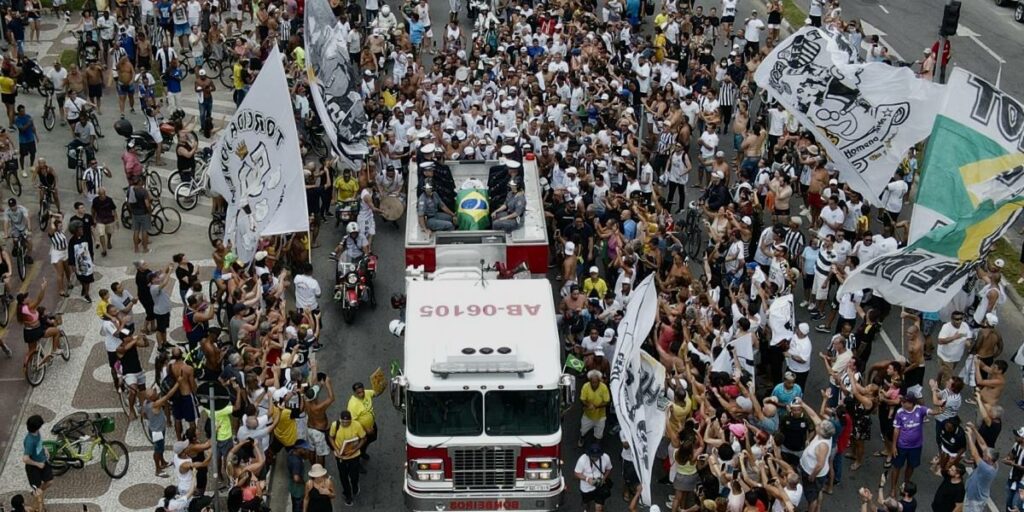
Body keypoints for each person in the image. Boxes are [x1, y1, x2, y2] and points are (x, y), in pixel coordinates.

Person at [329, 410, 365, 507]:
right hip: (340, 456)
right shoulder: (335, 425)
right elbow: (331, 437)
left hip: (354, 455)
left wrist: (354, 450)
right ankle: (348, 495)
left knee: (354, 475)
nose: (345, 424)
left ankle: (355, 485)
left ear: (351, 420)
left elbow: (363, 439)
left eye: (347, 422)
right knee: (343, 476)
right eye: (343, 422)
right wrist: (336, 449)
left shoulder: (357, 425)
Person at [964, 422, 999, 511]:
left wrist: (969, 436)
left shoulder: (986, 468)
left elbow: (974, 453)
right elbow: (983, 444)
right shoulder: (994, 463)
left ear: (989, 458)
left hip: (975, 500)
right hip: (975, 495)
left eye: (984, 455)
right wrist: (974, 429)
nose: (983, 454)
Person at [22, 414, 52, 512]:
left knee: (49, 481)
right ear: (36, 427)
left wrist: (45, 448)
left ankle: (37, 494)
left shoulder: (37, 433)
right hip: (34, 467)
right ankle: (38, 507)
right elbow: (25, 459)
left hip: (43, 460)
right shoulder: (29, 441)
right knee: (38, 491)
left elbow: (39, 443)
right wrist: (37, 464)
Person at [575, 443, 612, 512]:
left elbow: (609, 469)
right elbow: (576, 473)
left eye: (597, 456)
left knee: (599, 507)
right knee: (586, 503)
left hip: (600, 486)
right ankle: (586, 507)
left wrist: (604, 478)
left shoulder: (606, 457)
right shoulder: (582, 460)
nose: (595, 458)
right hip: (586, 488)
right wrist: (587, 479)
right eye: (593, 456)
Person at [347, 382, 377, 463]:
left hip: (371, 426)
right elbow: (353, 422)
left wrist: (380, 383)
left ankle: (362, 452)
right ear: (355, 393)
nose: (361, 394)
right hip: (361, 431)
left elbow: (376, 393)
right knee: (359, 446)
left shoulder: (367, 393)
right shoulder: (352, 405)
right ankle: (357, 461)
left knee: (372, 438)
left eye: (362, 391)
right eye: (359, 393)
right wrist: (365, 429)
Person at [579, 370, 610, 448]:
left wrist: (596, 407)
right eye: (593, 382)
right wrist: (588, 404)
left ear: (599, 381)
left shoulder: (604, 387)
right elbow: (582, 399)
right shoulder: (585, 386)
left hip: (601, 416)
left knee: (599, 434)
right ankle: (582, 439)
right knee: (583, 430)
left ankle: (596, 445)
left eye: (596, 382)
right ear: (590, 381)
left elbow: (606, 401)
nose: (594, 384)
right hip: (588, 415)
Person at [5, 197, 33, 264]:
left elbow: (27, 218)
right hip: (15, 228)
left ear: (16, 204)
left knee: (29, 242)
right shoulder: (7, 211)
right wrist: (6, 233)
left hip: (23, 227)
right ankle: (16, 246)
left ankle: (28, 256)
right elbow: (6, 223)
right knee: (15, 239)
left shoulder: (22, 209)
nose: (12, 207)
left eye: (13, 205)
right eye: (11, 206)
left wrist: (29, 228)